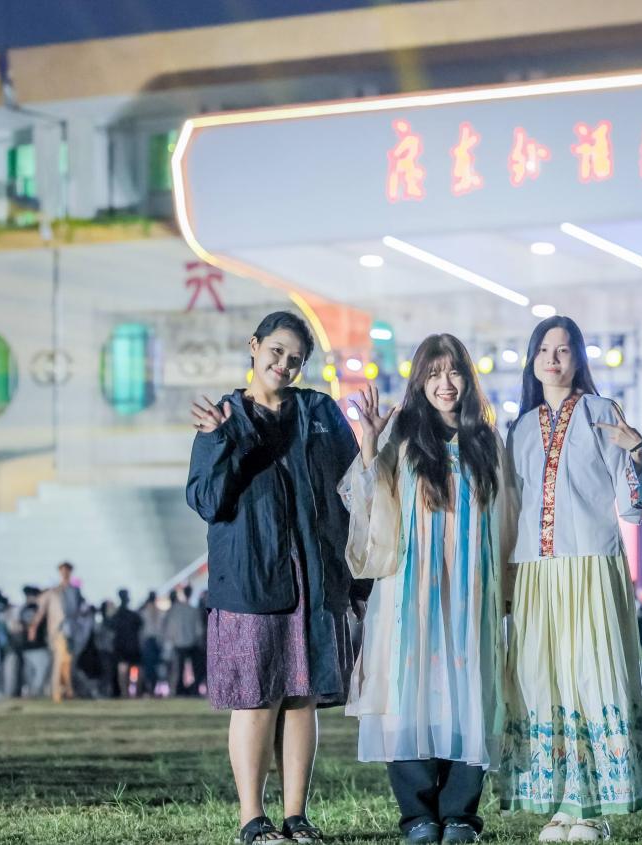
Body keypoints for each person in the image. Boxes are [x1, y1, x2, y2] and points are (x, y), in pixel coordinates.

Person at [187, 311, 362, 845]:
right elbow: (207, 500)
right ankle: (252, 819)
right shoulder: (224, 417)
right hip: (251, 581)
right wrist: (222, 441)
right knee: (256, 700)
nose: (284, 365)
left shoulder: (319, 411)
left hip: (313, 577)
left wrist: (355, 580)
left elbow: (354, 489)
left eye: (295, 359)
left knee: (302, 698)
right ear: (254, 345)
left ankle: (296, 817)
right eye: (276, 352)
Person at [341, 334, 513, 845]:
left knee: (470, 691)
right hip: (412, 589)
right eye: (434, 373)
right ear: (420, 381)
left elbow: (509, 515)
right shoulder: (401, 436)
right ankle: (417, 814)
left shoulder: (486, 441)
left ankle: (460, 813)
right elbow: (367, 504)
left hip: (470, 590)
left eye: (453, 371)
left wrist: (507, 586)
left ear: (468, 378)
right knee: (408, 693)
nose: (445, 383)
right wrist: (369, 443)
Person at [499, 316, 642, 842]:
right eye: (544, 349)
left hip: (590, 565)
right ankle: (559, 803)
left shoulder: (601, 413)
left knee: (590, 676)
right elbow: (511, 507)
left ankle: (589, 806)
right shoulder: (520, 428)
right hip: (534, 572)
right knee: (543, 679)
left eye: (564, 350)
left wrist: (637, 452)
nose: (553, 358)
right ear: (532, 359)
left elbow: (631, 506)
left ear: (579, 358)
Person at [30, 561, 84, 704]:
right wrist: (33, 627)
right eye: (63, 570)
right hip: (58, 630)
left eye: (67, 570)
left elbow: (79, 611)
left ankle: (67, 690)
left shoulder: (75, 591)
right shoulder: (53, 591)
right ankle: (57, 692)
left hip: (71, 631)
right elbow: (41, 610)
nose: (65, 573)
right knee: (60, 661)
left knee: (67, 661)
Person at [163, 586, 202, 696]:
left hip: (178, 644)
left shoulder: (174, 610)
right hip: (191, 643)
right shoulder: (193, 610)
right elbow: (198, 629)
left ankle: (179, 690)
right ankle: (194, 689)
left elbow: (169, 628)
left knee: (179, 669)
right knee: (194, 669)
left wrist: (170, 641)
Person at [112, 589, 143, 698]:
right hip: (130, 647)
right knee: (130, 670)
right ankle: (133, 693)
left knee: (125, 671)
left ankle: (126, 693)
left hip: (124, 647)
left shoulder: (118, 615)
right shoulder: (132, 615)